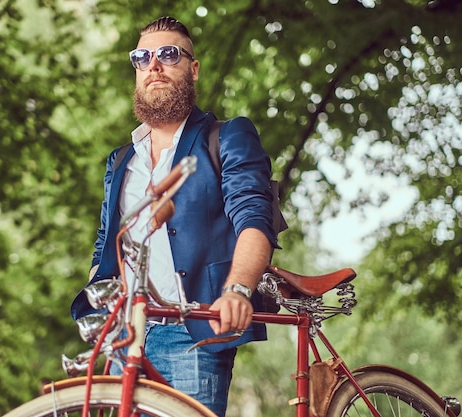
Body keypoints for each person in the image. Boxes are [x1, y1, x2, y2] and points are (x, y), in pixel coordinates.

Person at [71, 16, 279, 416]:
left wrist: (237, 290)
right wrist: (101, 300)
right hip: (126, 335)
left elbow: (254, 218)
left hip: (192, 334)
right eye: (142, 57)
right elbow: (106, 240)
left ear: (193, 68)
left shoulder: (227, 136)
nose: (154, 65)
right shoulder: (120, 162)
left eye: (169, 54)